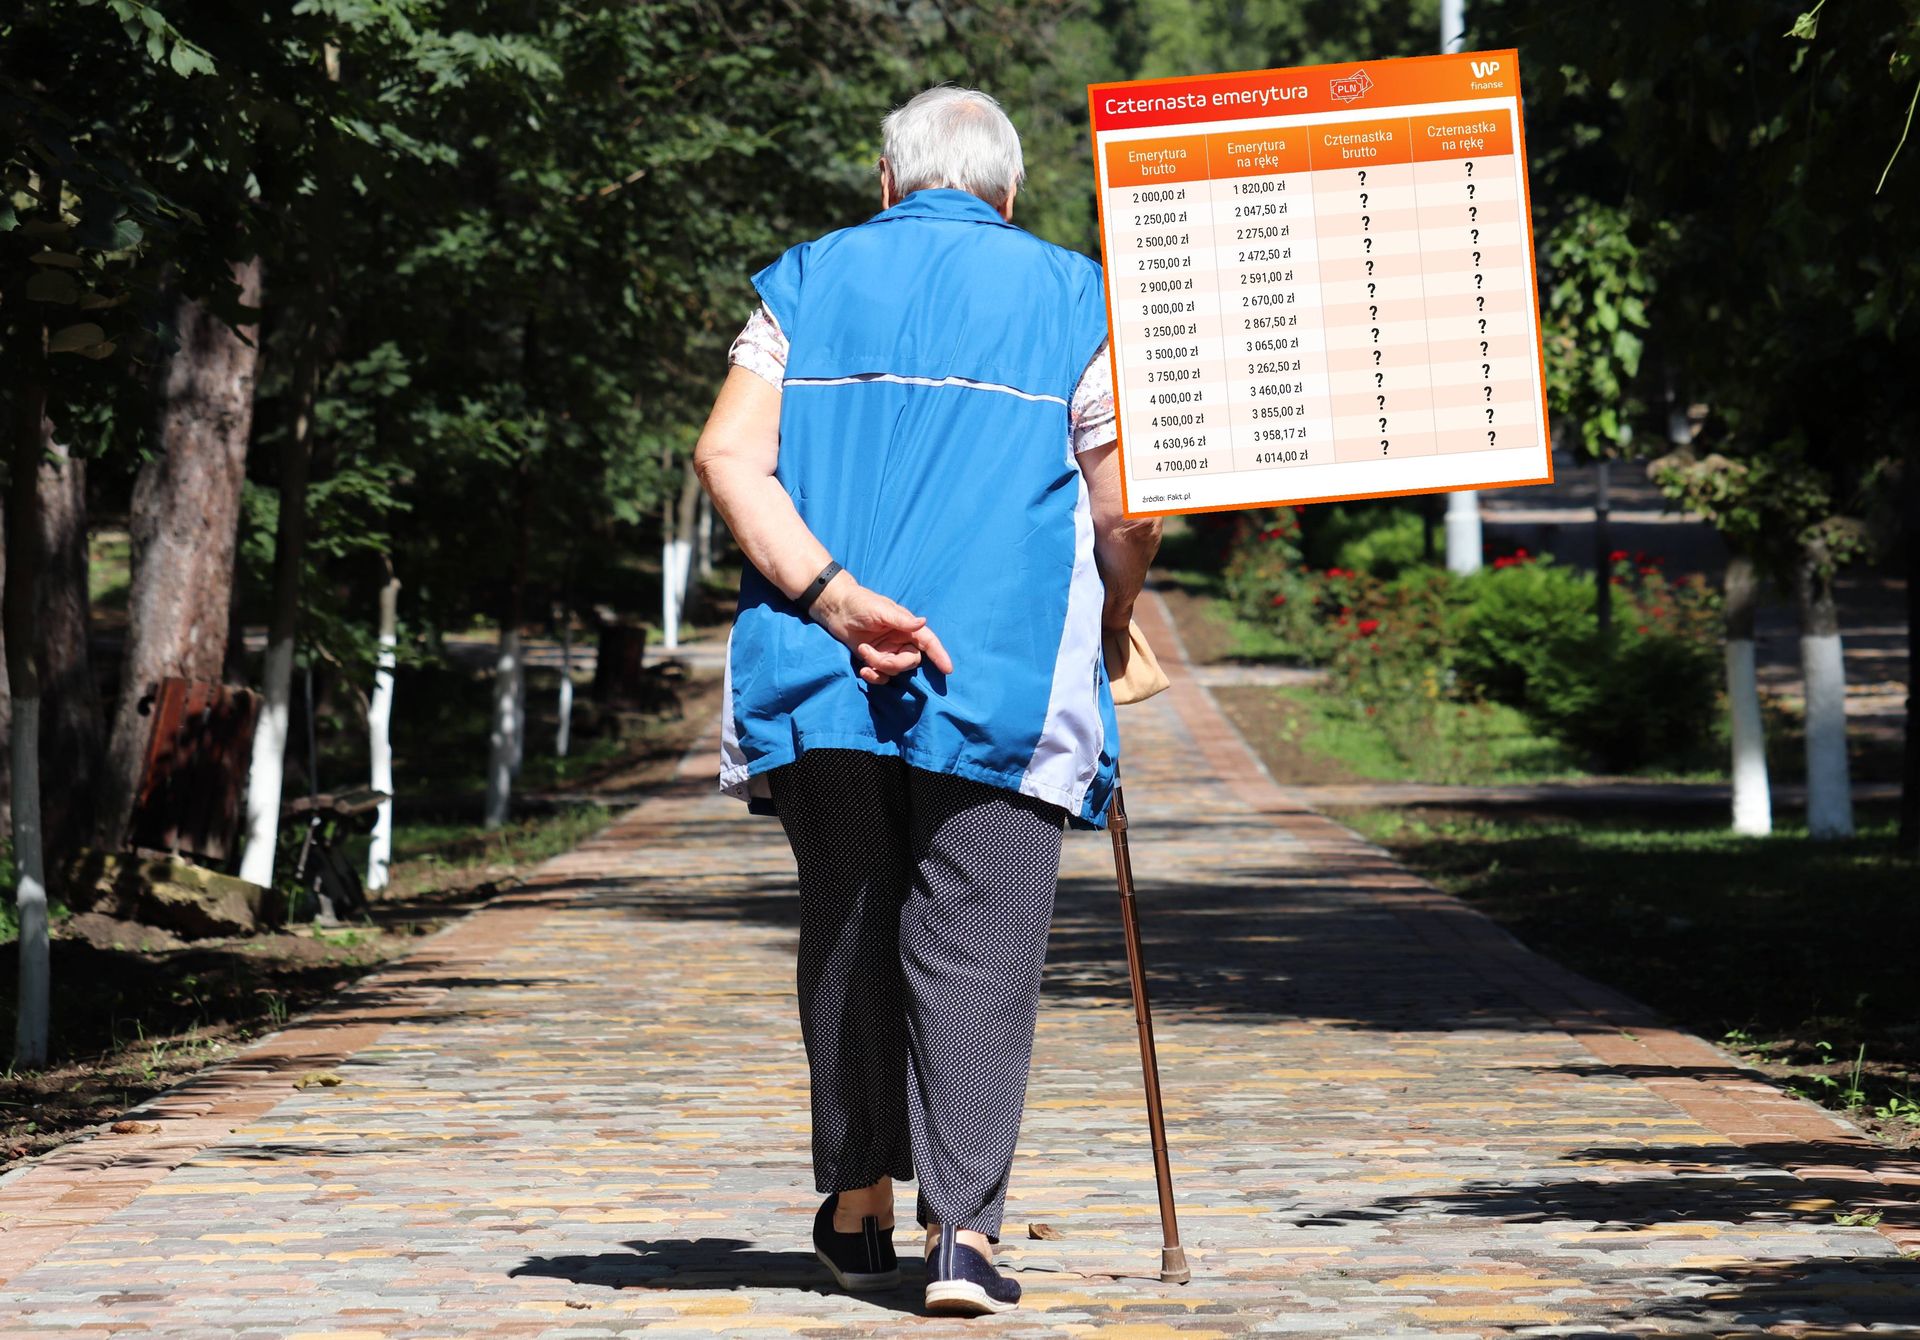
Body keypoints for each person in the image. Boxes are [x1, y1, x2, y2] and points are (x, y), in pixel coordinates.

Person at [693, 84, 1161, 1318]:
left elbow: (728, 457)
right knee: (980, 945)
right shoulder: (1075, 296)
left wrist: (836, 597)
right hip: (1000, 677)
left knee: (849, 929)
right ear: (1011, 196)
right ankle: (964, 1236)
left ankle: (856, 1214)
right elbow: (1126, 508)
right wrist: (1113, 621)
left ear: (887, 185)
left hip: (821, 670)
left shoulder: (800, 285)